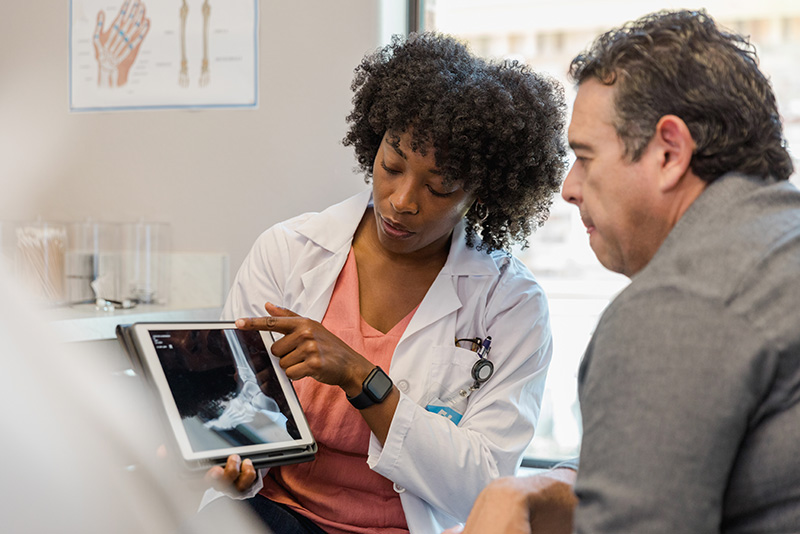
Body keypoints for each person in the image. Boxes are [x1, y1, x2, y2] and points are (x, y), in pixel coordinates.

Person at [448, 8, 800, 534]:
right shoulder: (777, 243)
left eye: (586, 157)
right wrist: (546, 485)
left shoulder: (676, 309)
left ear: (668, 152)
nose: (569, 187)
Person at [203, 32, 568, 534]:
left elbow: (483, 486)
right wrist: (231, 463)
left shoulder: (510, 303)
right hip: (276, 516)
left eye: (439, 187)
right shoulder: (290, 251)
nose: (401, 200)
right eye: (391, 166)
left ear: (483, 194)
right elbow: (231, 405)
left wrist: (361, 377)